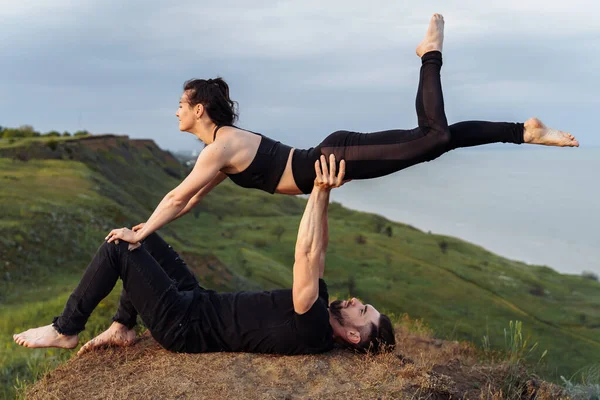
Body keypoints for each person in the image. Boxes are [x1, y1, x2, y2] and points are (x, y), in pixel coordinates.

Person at [102, 13, 578, 247]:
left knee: (434, 137)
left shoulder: (220, 146)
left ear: (201, 109)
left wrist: (140, 233)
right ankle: (523, 131)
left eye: (181, 106)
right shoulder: (219, 149)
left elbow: (177, 196)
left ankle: (430, 53)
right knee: (435, 136)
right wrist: (148, 228)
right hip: (332, 158)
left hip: (333, 160)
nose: (176, 113)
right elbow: (193, 198)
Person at [13, 154, 396, 356]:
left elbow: (306, 253)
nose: (358, 302)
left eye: (363, 312)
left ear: (352, 336)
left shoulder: (313, 328)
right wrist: (323, 195)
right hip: (195, 302)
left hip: (183, 325)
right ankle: (123, 325)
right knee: (141, 235)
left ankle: (65, 329)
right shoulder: (320, 306)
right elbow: (321, 248)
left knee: (120, 249)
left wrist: (319, 190)